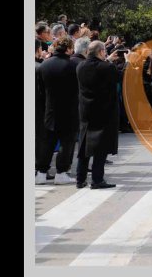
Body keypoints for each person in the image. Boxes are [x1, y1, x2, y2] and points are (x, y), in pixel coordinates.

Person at [75, 41, 119, 189]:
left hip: (86, 110)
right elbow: (118, 77)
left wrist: (108, 61)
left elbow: (98, 70)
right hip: (103, 112)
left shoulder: (80, 66)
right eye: (104, 51)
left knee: (83, 147)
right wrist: (127, 63)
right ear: (100, 52)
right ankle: (97, 179)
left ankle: (80, 179)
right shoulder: (107, 67)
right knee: (101, 148)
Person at [35, 36, 78, 185]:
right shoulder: (73, 66)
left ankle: (41, 173)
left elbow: (40, 90)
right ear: (69, 49)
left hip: (50, 109)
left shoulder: (44, 65)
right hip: (69, 110)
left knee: (47, 142)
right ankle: (61, 173)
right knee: (67, 143)